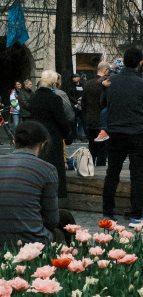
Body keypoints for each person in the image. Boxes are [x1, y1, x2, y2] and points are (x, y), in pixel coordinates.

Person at [0, 121, 75, 247]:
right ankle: (74, 259)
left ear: (14, 142)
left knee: (65, 215)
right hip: (30, 243)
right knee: (61, 230)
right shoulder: (47, 169)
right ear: (43, 144)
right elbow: (52, 221)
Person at [101, 47, 143, 221]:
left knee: (112, 174)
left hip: (115, 132)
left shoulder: (110, 82)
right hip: (137, 133)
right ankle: (136, 214)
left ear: (123, 62)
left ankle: (108, 213)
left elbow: (103, 103)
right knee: (137, 176)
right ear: (140, 63)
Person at [26, 70, 73, 200]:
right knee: (55, 168)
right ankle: (57, 195)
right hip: (53, 137)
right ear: (53, 83)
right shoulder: (55, 99)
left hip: (37, 137)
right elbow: (61, 120)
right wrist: (68, 136)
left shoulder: (34, 97)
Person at [82, 62, 111, 166]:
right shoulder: (105, 84)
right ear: (105, 71)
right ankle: (100, 169)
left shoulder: (88, 84)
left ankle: (89, 167)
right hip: (102, 122)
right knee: (103, 148)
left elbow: (83, 103)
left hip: (90, 120)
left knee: (92, 147)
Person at [67, 74, 86, 140]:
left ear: (78, 78)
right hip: (74, 106)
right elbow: (69, 95)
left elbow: (85, 94)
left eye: (75, 77)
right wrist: (76, 101)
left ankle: (82, 135)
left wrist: (82, 101)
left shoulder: (83, 86)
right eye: (73, 77)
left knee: (83, 121)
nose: (73, 79)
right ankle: (75, 136)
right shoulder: (70, 86)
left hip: (82, 106)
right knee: (74, 122)